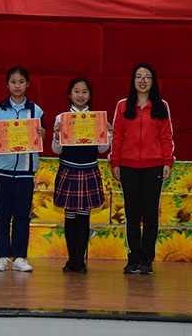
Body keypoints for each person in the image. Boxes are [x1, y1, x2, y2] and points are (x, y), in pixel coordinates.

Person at [109, 64, 174, 275]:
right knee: (132, 214)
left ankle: (147, 259)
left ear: (153, 82)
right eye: (139, 77)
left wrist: (168, 161)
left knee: (151, 215)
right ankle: (133, 258)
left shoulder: (161, 106)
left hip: (154, 166)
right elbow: (117, 136)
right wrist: (115, 162)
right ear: (133, 81)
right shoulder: (122, 106)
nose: (143, 81)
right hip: (128, 167)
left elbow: (166, 136)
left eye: (147, 77)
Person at [0, 66, 45, 272]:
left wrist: (42, 133)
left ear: (27, 84)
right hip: (3, 170)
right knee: (2, 215)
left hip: (26, 172)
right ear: (7, 85)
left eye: (21, 82)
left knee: (22, 215)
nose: (17, 86)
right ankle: (2, 256)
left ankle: (20, 256)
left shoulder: (36, 111)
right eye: (13, 82)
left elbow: (41, 137)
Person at [52, 77, 112, 273]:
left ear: (90, 95)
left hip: (88, 169)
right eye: (76, 91)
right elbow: (56, 150)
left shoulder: (96, 119)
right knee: (70, 217)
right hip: (68, 169)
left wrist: (108, 133)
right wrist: (56, 136)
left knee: (84, 217)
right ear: (70, 95)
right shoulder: (62, 118)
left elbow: (102, 149)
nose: (80, 95)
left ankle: (80, 261)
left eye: (84, 92)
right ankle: (71, 259)